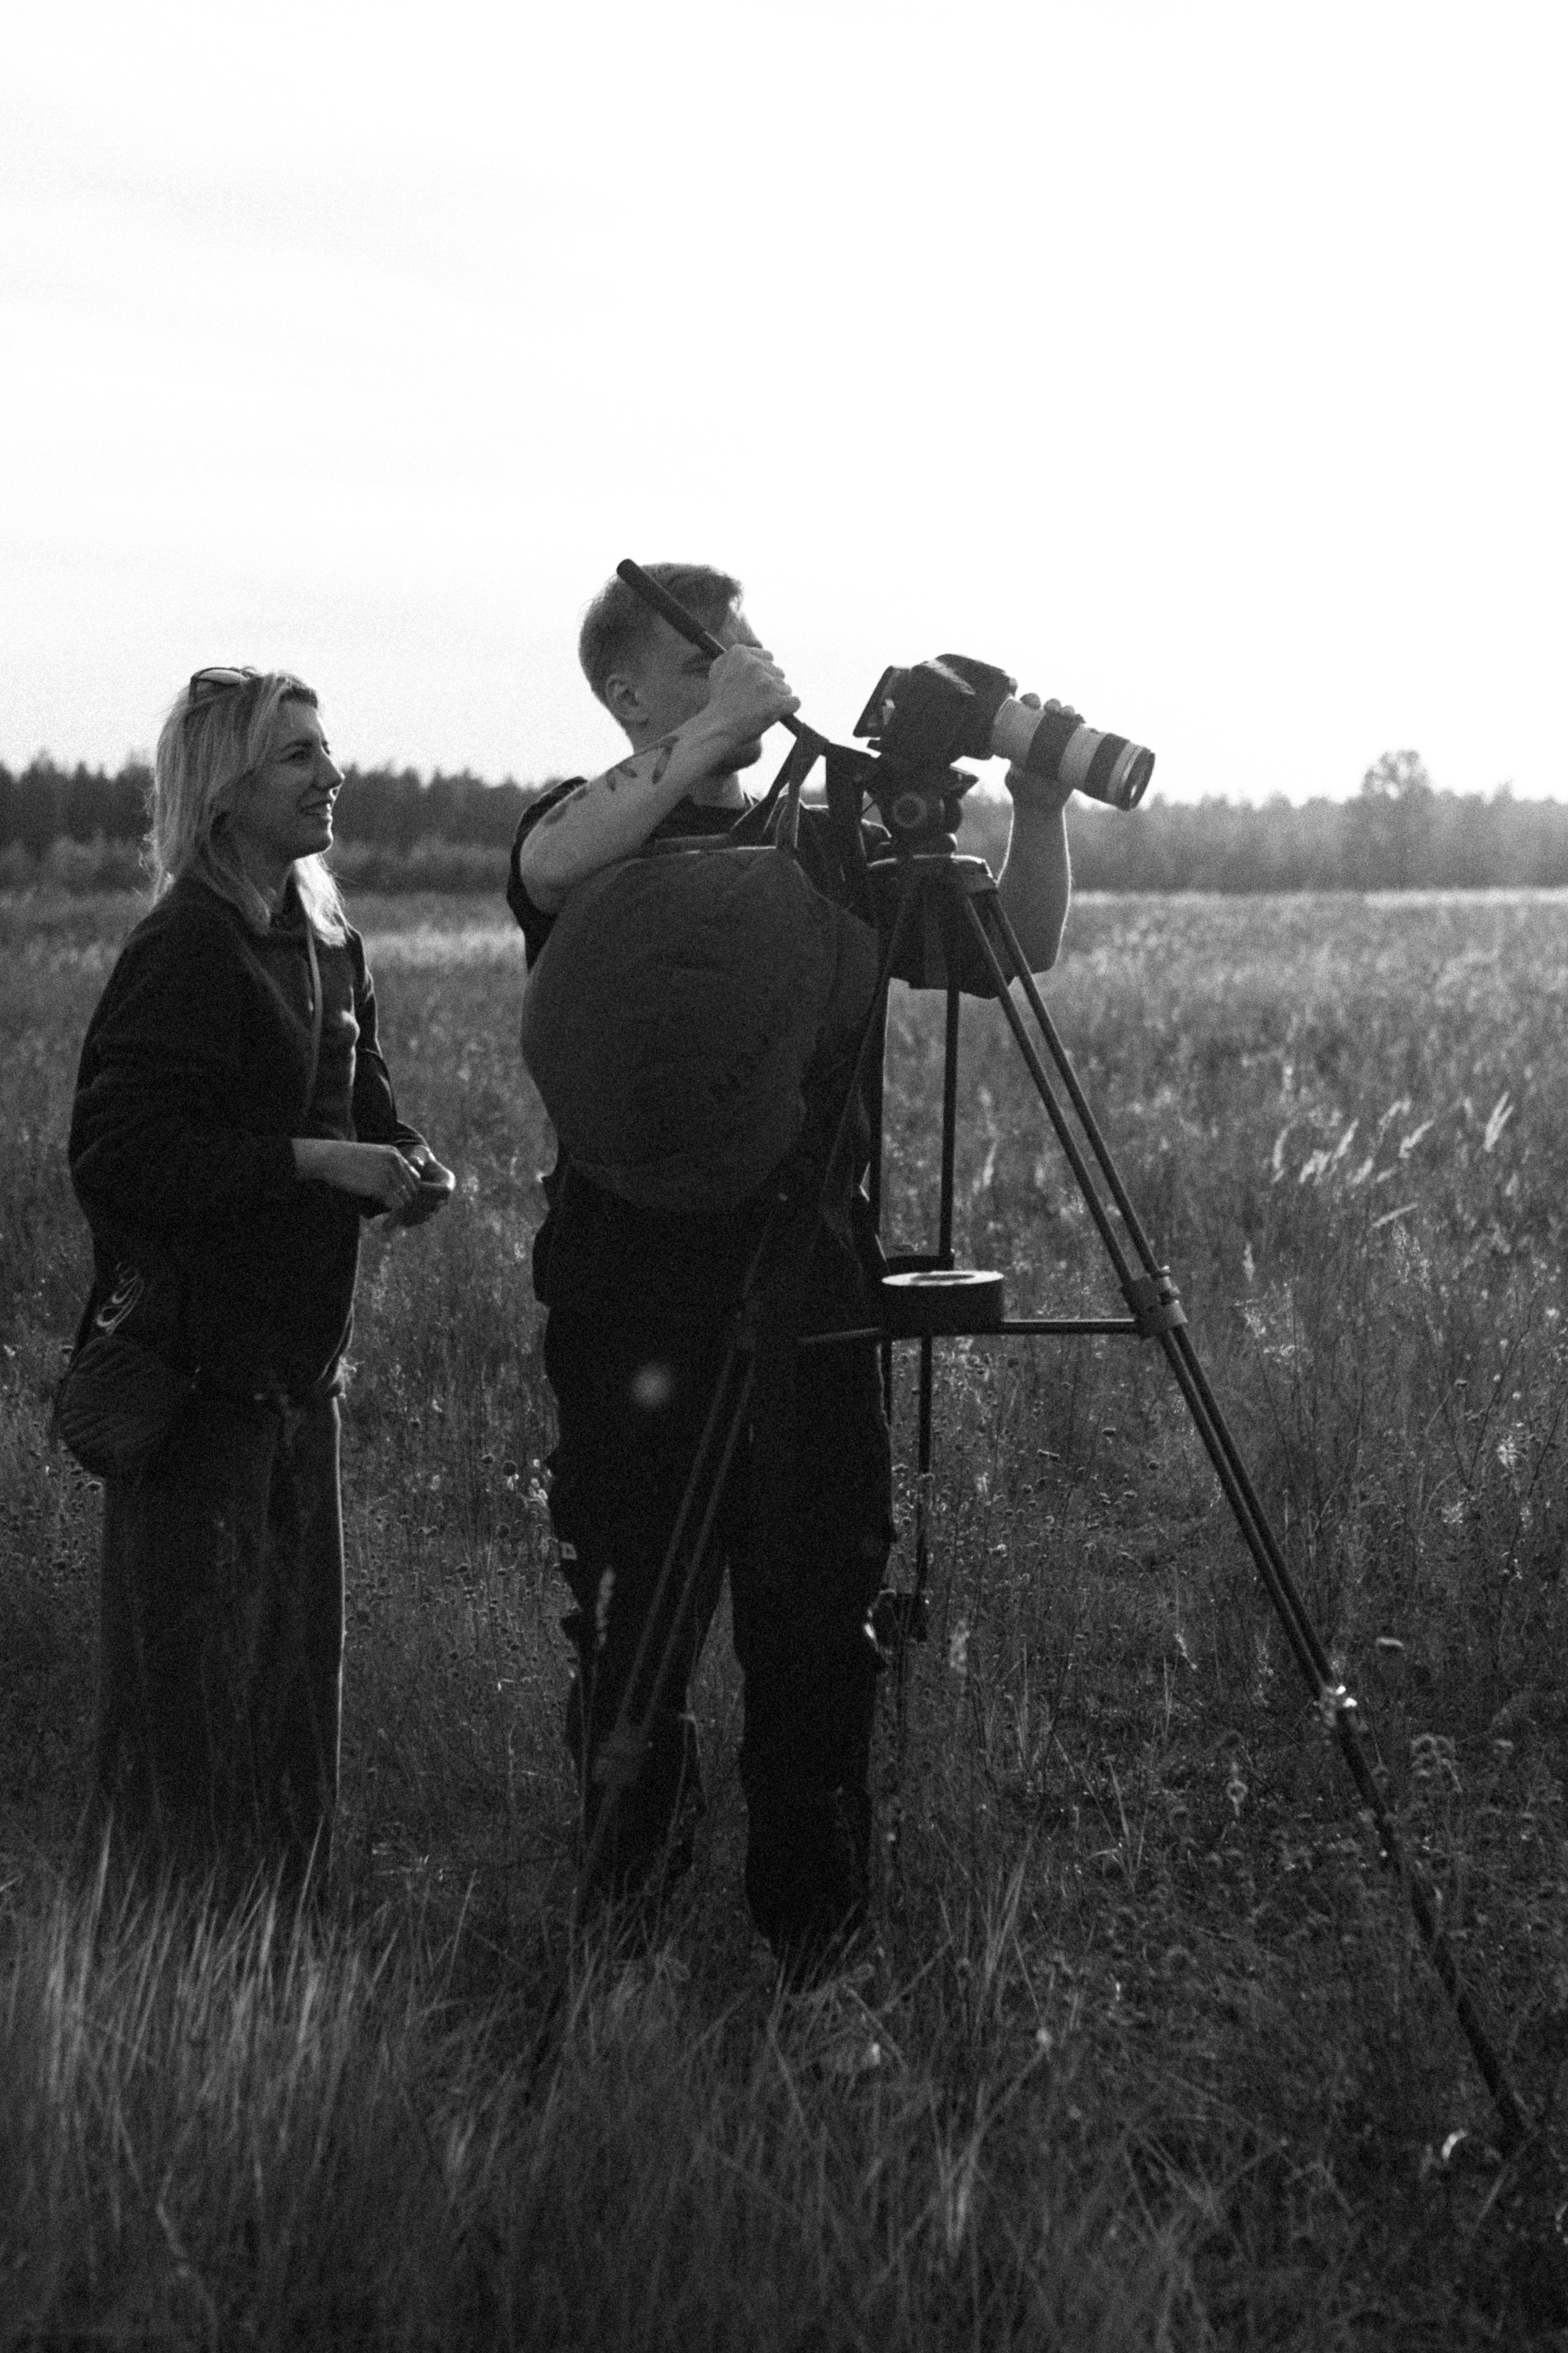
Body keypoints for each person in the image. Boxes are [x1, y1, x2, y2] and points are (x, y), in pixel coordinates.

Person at [508, 564, 1072, 1974]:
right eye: (716, 658)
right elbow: (548, 876)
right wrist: (710, 739)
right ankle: (622, 1941)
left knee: (818, 1643)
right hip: (630, 1306)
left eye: (756, 646)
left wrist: (1042, 806)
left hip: (812, 1310)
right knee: (632, 1640)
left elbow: (1018, 948)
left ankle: (815, 1961)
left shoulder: (835, 843)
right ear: (634, 693)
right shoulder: (584, 834)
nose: (756, 670)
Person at [69, 666, 452, 1902]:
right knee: (184, 1709)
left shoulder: (327, 933)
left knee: (290, 1696)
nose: (329, 774)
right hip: (194, 1390)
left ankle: (273, 1958)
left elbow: (366, 1105)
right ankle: (156, 1973)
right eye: (297, 757)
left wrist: (406, 1163)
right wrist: (310, 1163)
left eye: (323, 750)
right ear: (226, 787)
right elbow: (118, 1155)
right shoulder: (187, 941)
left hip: (299, 1384)